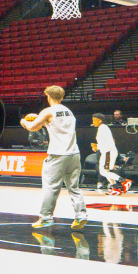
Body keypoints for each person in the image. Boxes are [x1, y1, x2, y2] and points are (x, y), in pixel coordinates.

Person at [20, 86, 87, 230]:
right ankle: (81, 215)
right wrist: (41, 121)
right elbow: (54, 126)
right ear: (61, 97)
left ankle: (45, 218)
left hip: (58, 155)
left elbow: (32, 127)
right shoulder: (69, 112)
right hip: (74, 154)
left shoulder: (48, 111)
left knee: (50, 188)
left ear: (47, 96)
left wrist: (24, 122)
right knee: (74, 187)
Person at [90, 113, 122, 193]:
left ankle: (124, 181)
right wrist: (97, 147)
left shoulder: (103, 128)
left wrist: (99, 147)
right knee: (105, 172)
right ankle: (115, 188)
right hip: (106, 151)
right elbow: (104, 142)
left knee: (104, 171)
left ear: (99, 120)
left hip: (108, 152)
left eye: (94, 120)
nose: (93, 122)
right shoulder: (101, 128)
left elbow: (110, 142)